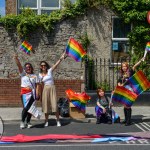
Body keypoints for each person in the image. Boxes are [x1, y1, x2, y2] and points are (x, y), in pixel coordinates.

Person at [39, 52, 66, 127]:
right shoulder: (39, 75)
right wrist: (40, 95)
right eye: (42, 65)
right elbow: (40, 85)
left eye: (44, 65)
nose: (43, 66)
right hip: (45, 89)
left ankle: (58, 121)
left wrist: (61, 58)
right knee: (45, 106)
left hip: (52, 88)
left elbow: (56, 65)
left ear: (46, 66)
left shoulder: (50, 71)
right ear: (40, 67)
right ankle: (46, 121)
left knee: (54, 105)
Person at [14, 54, 39, 129]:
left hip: (33, 94)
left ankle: (28, 122)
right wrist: (16, 59)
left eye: (29, 67)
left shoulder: (35, 76)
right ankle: (22, 121)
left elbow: (37, 85)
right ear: (25, 68)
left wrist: (37, 93)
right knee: (26, 107)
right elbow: (19, 66)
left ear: (31, 68)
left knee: (31, 108)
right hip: (24, 94)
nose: (28, 68)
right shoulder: (23, 74)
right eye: (27, 67)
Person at [117, 57, 144, 126]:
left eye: (125, 66)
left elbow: (135, 66)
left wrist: (141, 60)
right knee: (125, 106)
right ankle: (126, 119)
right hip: (123, 91)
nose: (124, 68)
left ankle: (129, 121)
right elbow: (119, 84)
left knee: (128, 106)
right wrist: (120, 85)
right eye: (123, 66)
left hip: (130, 91)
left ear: (127, 67)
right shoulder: (121, 75)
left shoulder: (130, 72)